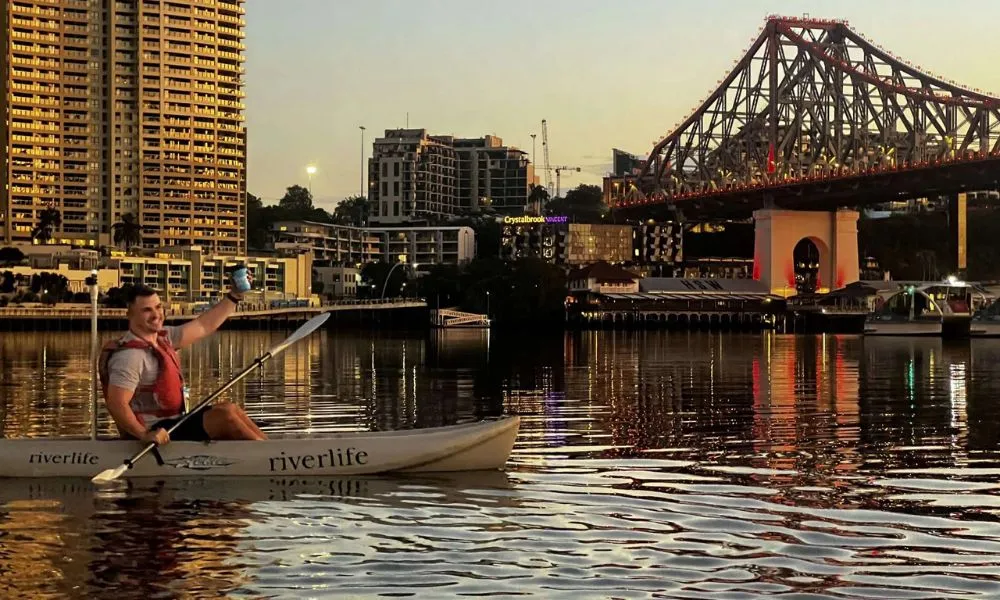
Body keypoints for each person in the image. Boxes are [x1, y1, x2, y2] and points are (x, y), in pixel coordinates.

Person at [98, 275, 267, 445]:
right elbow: (117, 403)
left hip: (174, 422)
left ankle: (269, 449)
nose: (156, 315)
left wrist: (234, 296)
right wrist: (144, 435)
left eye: (158, 307)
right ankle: (268, 457)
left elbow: (204, 325)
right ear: (130, 314)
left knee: (230, 408)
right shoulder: (129, 357)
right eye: (147, 310)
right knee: (225, 417)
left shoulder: (165, 338)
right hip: (154, 431)